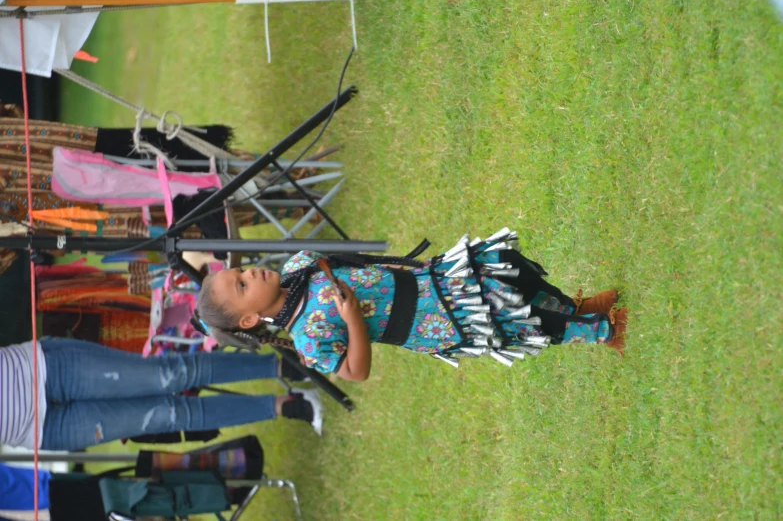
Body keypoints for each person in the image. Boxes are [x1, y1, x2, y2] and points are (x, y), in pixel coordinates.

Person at [194, 228, 630, 380]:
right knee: (514, 321)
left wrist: (412, 266)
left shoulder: (300, 264)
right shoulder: (308, 338)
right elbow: (355, 371)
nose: (252, 273)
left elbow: (358, 263)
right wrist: (353, 324)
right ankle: (601, 331)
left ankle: (576, 309)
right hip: (428, 321)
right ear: (250, 317)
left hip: (428, 281)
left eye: (243, 271)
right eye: (243, 284)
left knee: (506, 265)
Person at [0, 338, 323, 452]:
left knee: (171, 375)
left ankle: (286, 367)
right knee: (173, 417)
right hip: (40, 432)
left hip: (42, 369)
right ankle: (291, 406)